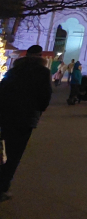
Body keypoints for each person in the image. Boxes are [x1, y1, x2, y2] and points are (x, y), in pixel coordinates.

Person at [0, 45, 53, 202]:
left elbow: (3, 88)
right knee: (14, 153)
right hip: (25, 118)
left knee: (3, 148)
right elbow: (45, 95)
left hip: (5, 116)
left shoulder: (15, 70)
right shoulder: (42, 72)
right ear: (40, 56)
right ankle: (3, 186)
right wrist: (39, 108)